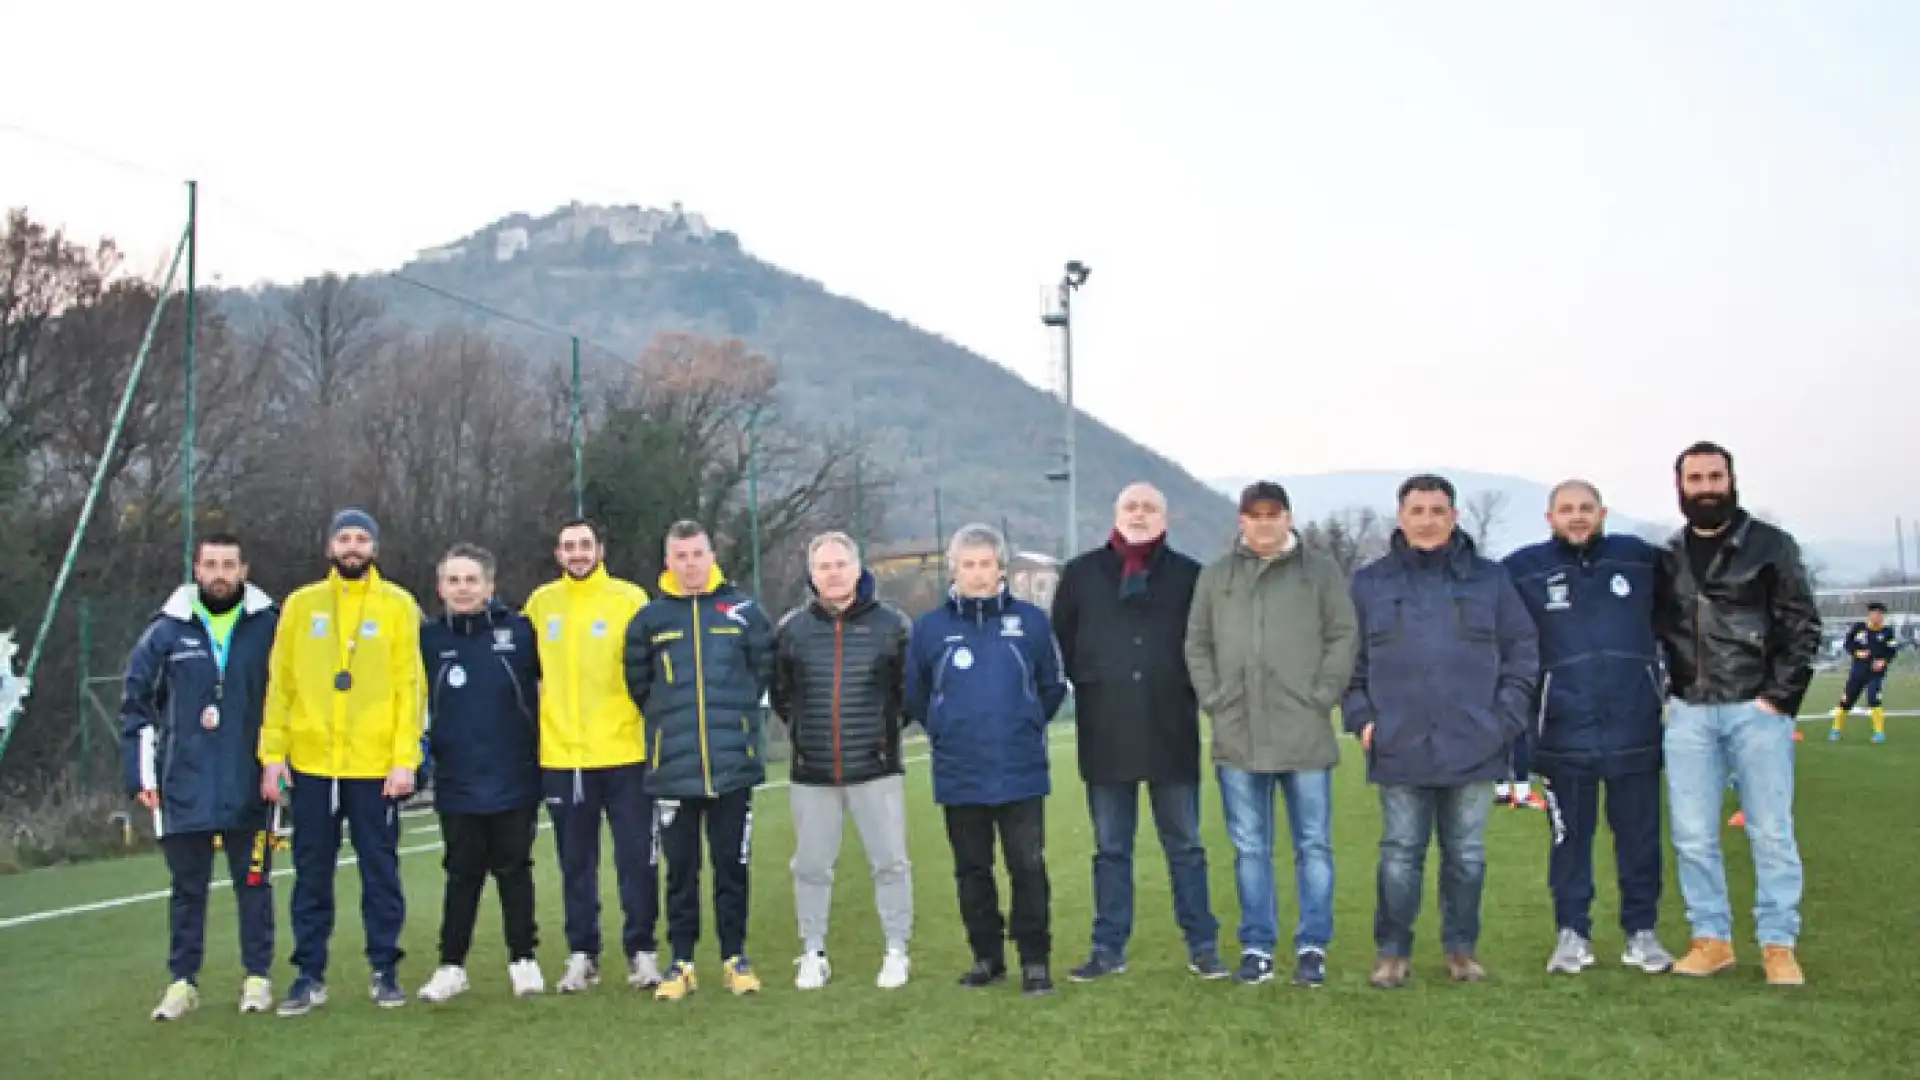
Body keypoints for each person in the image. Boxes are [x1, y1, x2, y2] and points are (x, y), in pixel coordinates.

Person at [1343, 475, 1539, 989]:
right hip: (1399, 742)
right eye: (1417, 510)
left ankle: (1460, 949)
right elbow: (1347, 661)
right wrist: (1363, 720)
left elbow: (1522, 651)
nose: (1427, 520)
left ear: (1454, 517)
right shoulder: (1370, 584)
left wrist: (1506, 720)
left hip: (1475, 742)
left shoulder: (1491, 580)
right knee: (1399, 854)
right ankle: (1392, 952)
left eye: (1437, 510)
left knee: (1467, 857)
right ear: (1401, 517)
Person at [1654, 441, 1821, 986]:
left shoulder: (1771, 546)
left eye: (1714, 476)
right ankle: (1712, 938)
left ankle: (1778, 944)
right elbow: (1659, 632)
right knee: (1693, 835)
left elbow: (1801, 626)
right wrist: (1665, 695)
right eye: (1695, 478)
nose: (1705, 487)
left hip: (1756, 710)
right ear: (1680, 486)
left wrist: (1777, 699)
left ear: (1731, 480)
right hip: (1689, 713)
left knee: (1771, 833)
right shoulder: (1670, 554)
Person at [1184, 481, 1356, 987]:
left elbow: (1344, 636)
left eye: (1272, 513)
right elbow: (1197, 643)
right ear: (1241, 520)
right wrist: (1214, 699)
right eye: (1254, 514)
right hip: (1238, 733)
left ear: (1287, 517)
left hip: (1304, 732)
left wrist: (1321, 694)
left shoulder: (1319, 574)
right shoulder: (1216, 578)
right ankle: (1257, 946)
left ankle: (1312, 947)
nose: (1263, 522)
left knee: (1314, 845)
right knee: (1250, 848)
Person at [1053, 482, 1225, 984]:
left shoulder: (1191, 577)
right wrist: (1092, 678)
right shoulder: (1081, 575)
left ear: (1165, 517)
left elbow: (1206, 646)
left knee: (1186, 845)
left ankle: (1203, 946)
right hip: (1105, 732)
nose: (1140, 514)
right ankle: (1108, 948)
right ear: (1115, 514)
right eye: (1131, 506)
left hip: (1171, 729)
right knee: (1111, 848)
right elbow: (1062, 639)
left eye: (1150, 506)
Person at [1502, 480, 1675, 976]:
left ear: (1603, 512)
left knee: (1641, 840)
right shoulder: (1524, 570)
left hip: (1636, 728)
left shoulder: (1640, 560)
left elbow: (1680, 616)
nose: (1577, 517)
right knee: (1569, 842)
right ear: (1549, 517)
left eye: (1585, 508)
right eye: (1566, 509)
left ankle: (1642, 934)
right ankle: (1572, 934)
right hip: (1561, 735)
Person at [259, 508, 425, 1015]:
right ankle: (309, 975)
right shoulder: (301, 605)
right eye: (344, 538)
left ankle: (385, 970)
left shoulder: (398, 604)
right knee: (311, 874)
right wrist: (273, 755)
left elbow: (409, 688)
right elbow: (280, 684)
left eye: (361, 539)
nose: (352, 547)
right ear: (330, 548)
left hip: (375, 768)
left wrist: (404, 759)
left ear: (374, 548)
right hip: (312, 764)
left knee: (381, 872)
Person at [906, 523, 1069, 996]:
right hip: (959, 771)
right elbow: (916, 694)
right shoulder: (931, 628)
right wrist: (945, 729)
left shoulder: (1032, 623)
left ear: (1001, 569)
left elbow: (1052, 686)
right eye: (968, 565)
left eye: (986, 564)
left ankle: (1035, 960)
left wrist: (1025, 723)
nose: (977, 574)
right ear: (954, 569)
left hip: (1019, 769)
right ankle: (987, 957)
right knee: (972, 869)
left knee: (1028, 866)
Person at [121, 533, 279, 1020]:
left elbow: (289, 698)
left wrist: (281, 762)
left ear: (244, 570)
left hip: (248, 783)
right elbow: (136, 705)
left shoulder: (269, 626)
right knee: (187, 891)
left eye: (228, 564)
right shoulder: (166, 632)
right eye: (210, 564)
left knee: (253, 882)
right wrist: (140, 776)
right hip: (182, 785)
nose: (219, 573)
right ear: (196, 570)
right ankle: (182, 982)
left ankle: (257, 977)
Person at [623, 520, 776, 1001]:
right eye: (680, 556)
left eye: (697, 554)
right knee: (680, 872)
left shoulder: (745, 611)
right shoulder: (649, 620)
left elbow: (761, 674)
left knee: (732, 866)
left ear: (713, 556)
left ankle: (735, 958)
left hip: (733, 767)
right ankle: (682, 961)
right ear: (667, 562)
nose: (690, 564)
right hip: (674, 769)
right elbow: (638, 686)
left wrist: (735, 728)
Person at [771, 531, 915, 990]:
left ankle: (896, 950)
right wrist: (808, 737)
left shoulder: (892, 625)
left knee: (890, 862)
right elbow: (782, 694)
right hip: (812, 772)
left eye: (840, 564)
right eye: (823, 566)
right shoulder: (792, 629)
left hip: (875, 769)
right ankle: (812, 951)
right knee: (811, 866)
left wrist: (879, 737)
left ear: (858, 568)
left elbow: (906, 695)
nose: (833, 573)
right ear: (812, 574)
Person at [522, 519, 660, 993]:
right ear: (558, 554)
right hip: (564, 758)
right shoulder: (541, 605)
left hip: (625, 753)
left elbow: (651, 673)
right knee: (575, 863)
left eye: (585, 545)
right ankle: (583, 954)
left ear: (600, 549)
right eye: (568, 546)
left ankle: (642, 951)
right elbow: (527, 675)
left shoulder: (629, 599)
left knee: (636, 858)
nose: (577, 553)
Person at [415, 544, 545, 1002]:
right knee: (461, 873)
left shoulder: (521, 633)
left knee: (514, 868)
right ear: (440, 587)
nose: (463, 588)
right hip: (457, 780)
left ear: (489, 586)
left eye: (472, 580)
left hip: (514, 776)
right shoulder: (428, 639)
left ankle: (523, 960)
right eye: (454, 580)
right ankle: (452, 966)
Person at [1830, 602, 1898, 743]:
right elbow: (1847, 644)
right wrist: (1857, 652)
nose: (1878, 616)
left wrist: (1883, 661)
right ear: (1870, 614)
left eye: (1881, 614)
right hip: (1858, 672)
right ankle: (1835, 730)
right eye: (1875, 613)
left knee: (1874, 699)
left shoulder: (1887, 631)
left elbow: (1892, 650)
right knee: (1846, 701)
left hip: (1876, 674)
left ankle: (1879, 733)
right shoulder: (1859, 628)